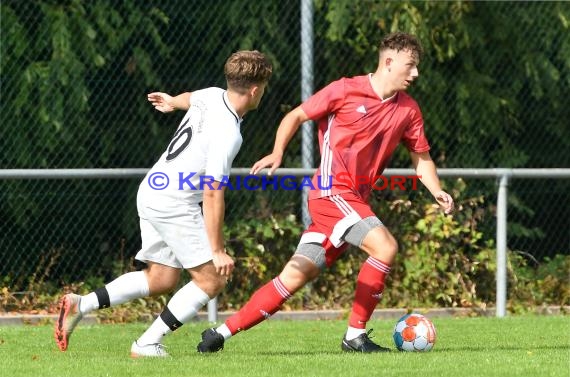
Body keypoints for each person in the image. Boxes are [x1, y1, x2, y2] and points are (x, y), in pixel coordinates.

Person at [197, 32, 454, 354]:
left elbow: (422, 158)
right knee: (385, 247)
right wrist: (278, 152)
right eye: (410, 65)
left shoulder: (408, 109)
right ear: (389, 62)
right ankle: (354, 336)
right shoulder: (345, 89)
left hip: (351, 203)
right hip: (331, 192)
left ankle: (217, 334)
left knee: (294, 276)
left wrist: (437, 191)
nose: (415, 73)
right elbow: (296, 115)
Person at [54, 50, 273, 357]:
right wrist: (218, 249)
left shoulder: (211, 95)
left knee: (161, 278)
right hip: (174, 202)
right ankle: (146, 343)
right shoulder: (228, 132)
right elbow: (212, 194)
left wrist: (172, 101)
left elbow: (189, 98)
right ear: (254, 90)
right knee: (211, 279)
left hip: (152, 190)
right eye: (264, 87)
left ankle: (82, 303)